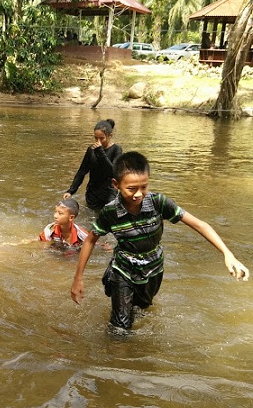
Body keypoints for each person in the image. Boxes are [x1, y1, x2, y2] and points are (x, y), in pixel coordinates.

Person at [70, 151, 249, 332]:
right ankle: (118, 353)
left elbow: (200, 225)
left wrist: (228, 254)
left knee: (142, 310)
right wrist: (78, 277)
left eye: (144, 187)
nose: (138, 194)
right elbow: (91, 240)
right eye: (131, 188)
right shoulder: (110, 212)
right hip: (122, 269)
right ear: (116, 185)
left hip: (153, 269)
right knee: (120, 328)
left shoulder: (158, 202)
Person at [63, 119, 122, 210]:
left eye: (101, 138)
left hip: (109, 192)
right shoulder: (91, 150)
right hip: (92, 192)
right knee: (91, 217)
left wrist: (100, 153)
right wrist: (71, 191)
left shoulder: (116, 149)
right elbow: (82, 171)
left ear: (110, 136)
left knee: (109, 216)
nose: (98, 141)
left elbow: (113, 172)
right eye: (95, 138)